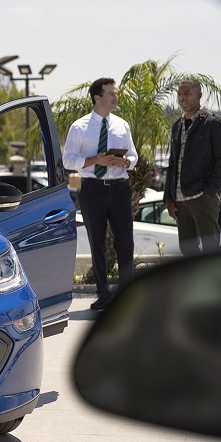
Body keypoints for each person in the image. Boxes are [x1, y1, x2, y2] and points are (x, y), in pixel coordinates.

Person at [62, 77, 137, 311]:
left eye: (116, 94)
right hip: (92, 189)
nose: (116, 97)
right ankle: (103, 293)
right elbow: (67, 160)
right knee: (97, 242)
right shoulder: (79, 126)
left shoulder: (122, 125)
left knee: (125, 241)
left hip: (120, 189)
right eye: (111, 94)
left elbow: (134, 157)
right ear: (98, 97)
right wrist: (96, 160)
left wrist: (124, 162)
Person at [164, 77, 221, 256]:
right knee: (188, 250)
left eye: (187, 93)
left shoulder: (213, 124)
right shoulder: (177, 126)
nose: (182, 98)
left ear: (199, 95)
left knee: (210, 248)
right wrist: (168, 198)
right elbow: (172, 163)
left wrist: (209, 191)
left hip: (202, 197)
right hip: (179, 199)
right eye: (179, 94)